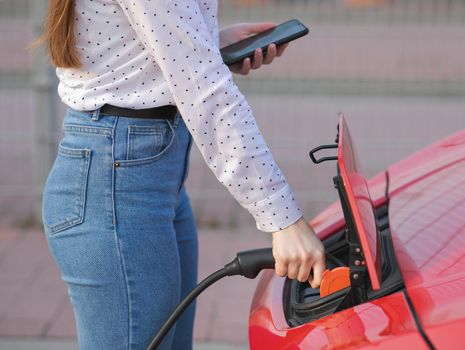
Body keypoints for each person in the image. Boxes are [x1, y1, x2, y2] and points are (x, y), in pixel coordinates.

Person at [37, 0, 325, 349]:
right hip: (116, 184)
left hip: (145, 177)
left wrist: (207, 42)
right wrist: (283, 219)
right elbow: (206, 92)